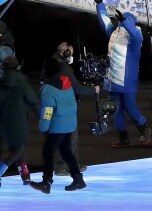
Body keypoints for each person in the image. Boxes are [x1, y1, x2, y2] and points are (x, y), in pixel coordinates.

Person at [94, 0, 151, 148]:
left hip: (127, 79)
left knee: (129, 106)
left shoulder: (135, 38)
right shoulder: (114, 33)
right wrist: (100, 5)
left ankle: (144, 127)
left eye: (123, 21)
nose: (120, 22)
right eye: (120, 21)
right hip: (112, 78)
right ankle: (123, 137)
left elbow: (135, 33)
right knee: (115, 108)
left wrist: (126, 22)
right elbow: (104, 21)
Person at [29, 57, 87, 194]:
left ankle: (46, 182)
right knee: (67, 152)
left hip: (57, 127)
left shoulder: (48, 89)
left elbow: (47, 112)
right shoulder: (67, 82)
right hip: (70, 124)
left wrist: (43, 127)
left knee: (47, 153)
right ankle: (78, 179)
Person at [41, 43, 96, 176]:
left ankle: (67, 166)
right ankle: (65, 167)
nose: (72, 56)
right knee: (70, 137)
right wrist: (93, 90)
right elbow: (78, 89)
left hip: (52, 105)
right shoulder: (64, 67)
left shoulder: (50, 63)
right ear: (65, 53)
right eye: (71, 53)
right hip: (63, 107)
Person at [0, 56, 38, 187]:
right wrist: (44, 118)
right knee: (18, 148)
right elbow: (33, 101)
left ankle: (25, 175)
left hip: (3, 122)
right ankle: (24, 175)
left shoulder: (1, 81)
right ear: (17, 66)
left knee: (11, 149)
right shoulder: (22, 82)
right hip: (18, 122)